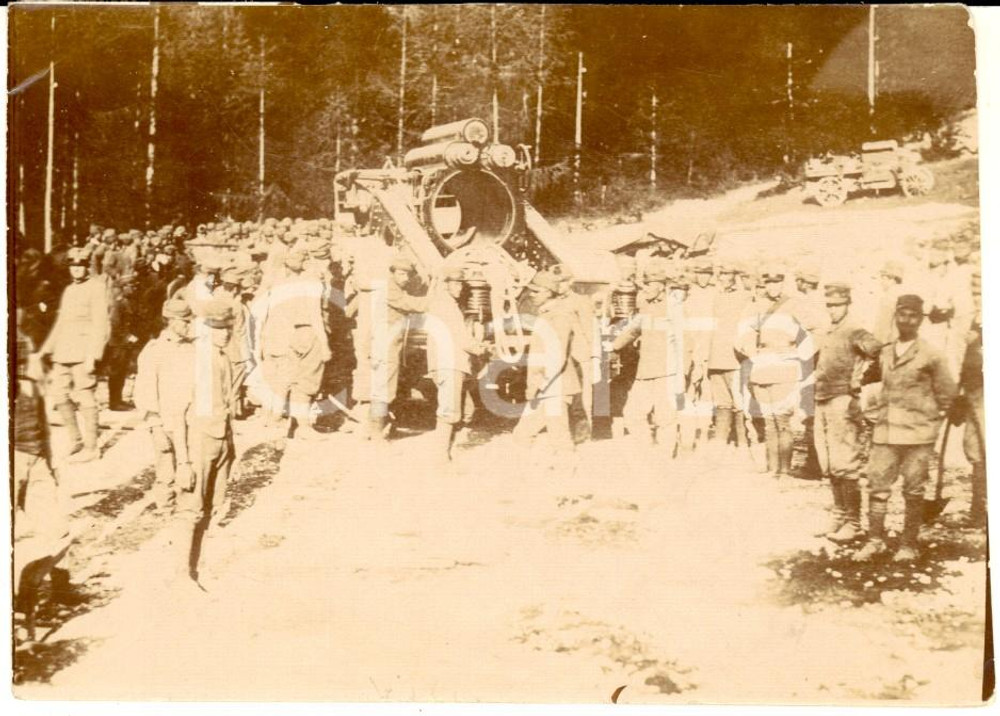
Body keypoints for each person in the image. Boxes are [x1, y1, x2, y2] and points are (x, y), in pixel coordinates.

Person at [854, 295, 957, 562]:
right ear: (896, 317)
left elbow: (947, 393)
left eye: (913, 315)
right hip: (886, 432)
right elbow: (873, 384)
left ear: (920, 319)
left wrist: (933, 422)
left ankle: (908, 544)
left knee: (913, 491)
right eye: (902, 314)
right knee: (877, 486)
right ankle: (875, 541)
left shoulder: (931, 354)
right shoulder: (886, 351)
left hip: (917, 435)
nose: (906, 320)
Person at [13, 315, 72, 641]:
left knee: (60, 534)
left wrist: (51, 463)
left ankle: (27, 596)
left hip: (36, 464)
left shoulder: (30, 384)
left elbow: (42, 427)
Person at [812, 283, 881, 543]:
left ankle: (854, 522)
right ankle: (839, 514)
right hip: (823, 398)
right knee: (829, 462)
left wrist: (859, 377)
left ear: (847, 304)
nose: (832, 310)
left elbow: (876, 350)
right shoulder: (830, 330)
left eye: (837, 305)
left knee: (846, 462)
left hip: (843, 401)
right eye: (829, 305)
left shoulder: (854, 329)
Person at [735, 268, 816, 478]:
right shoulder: (754, 306)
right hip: (762, 366)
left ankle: (786, 469)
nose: (773, 287)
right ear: (764, 284)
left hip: (786, 367)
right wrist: (752, 352)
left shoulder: (794, 304)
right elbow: (742, 335)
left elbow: (813, 331)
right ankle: (773, 469)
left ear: (782, 283)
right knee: (769, 421)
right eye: (769, 283)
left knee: (782, 420)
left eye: (777, 282)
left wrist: (799, 353)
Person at [183, 299, 238, 583]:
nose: (224, 333)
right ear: (205, 329)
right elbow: (195, 409)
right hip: (203, 438)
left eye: (227, 328)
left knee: (214, 504)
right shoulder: (200, 359)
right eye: (218, 328)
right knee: (194, 506)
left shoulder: (220, 356)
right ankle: (185, 572)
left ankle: (201, 566)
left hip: (221, 434)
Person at [40, 246, 111, 463]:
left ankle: (92, 447)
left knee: (85, 395)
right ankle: (76, 440)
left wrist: (93, 355)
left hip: (83, 351)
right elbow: (61, 322)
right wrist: (46, 349)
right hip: (63, 351)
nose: (76, 270)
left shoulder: (97, 288)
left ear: (87, 267)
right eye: (73, 266)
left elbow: (102, 323)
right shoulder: (69, 290)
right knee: (59, 395)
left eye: (80, 266)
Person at [254, 249, 331, 438]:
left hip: (288, 335)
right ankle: (302, 427)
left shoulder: (287, 283)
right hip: (308, 333)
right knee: (306, 381)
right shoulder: (313, 283)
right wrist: (325, 344)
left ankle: (278, 420)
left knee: (289, 379)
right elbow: (315, 316)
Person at [611, 258, 684, 456]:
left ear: (662, 286)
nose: (647, 288)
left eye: (651, 284)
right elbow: (634, 329)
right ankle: (647, 450)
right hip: (645, 371)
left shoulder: (674, 306)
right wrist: (614, 346)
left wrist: (683, 370)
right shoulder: (644, 302)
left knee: (665, 417)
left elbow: (683, 339)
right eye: (646, 283)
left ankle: (665, 455)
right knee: (632, 414)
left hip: (667, 371)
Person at [133, 297, 197, 509]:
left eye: (190, 321)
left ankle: (185, 503)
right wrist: (155, 427)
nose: (189, 325)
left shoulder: (191, 348)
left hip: (189, 417)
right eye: (184, 321)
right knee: (166, 465)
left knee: (189, 462)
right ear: (170, 321)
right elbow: (145, 391)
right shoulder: (155, 350)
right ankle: (164, 503)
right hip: (165, 420)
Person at [512, 270, 581, 457]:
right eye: (531, 291)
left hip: (554, 387)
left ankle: (568, 476)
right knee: (523, 435)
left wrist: (537, 384)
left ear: (549, 292)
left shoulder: (559, 315)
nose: (531, 295)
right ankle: (536, 475)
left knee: (559, 437)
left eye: (536, 292)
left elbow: (556, 355)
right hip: (548, 388)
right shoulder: (547, 314)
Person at [425, 265, 486, 462]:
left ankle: (453, 448)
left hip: (448, 364)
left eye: (461, 283)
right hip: (449, 364)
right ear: (446, 285)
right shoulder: (446, 307)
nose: (459, 287)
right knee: (449, 410)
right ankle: (441, 455)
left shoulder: (442, 304)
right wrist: (481, 348)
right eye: (455, 283)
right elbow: (461, 338)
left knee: (465, 409)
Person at [370, 254, 428, 439]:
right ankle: (376, 433)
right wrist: (434, 298)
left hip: (390, 345)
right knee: (383, 388)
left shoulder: (395, 287)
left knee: (386, 386)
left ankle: (376, 429)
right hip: (385, 346)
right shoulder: (389, 289)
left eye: (407, 275)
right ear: (393, 273)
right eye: (401, 274)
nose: (405, 278)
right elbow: (410, 303)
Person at [706, 264, 751, 452]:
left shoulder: (745, 297)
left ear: (735, 276)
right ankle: (720, 442)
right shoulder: (713, 297)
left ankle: (742, 442)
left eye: (728, 273)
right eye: (722, 274)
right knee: (722, 402)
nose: (725, 277)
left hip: (734, 358)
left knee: (739, 402)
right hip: (715, 357)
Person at [955, 267, 986, 525]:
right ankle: (978, 510)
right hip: (973, 391)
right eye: (974, 292)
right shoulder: (973, 320)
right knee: (974, 448)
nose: (978, 297)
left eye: (982, 292)